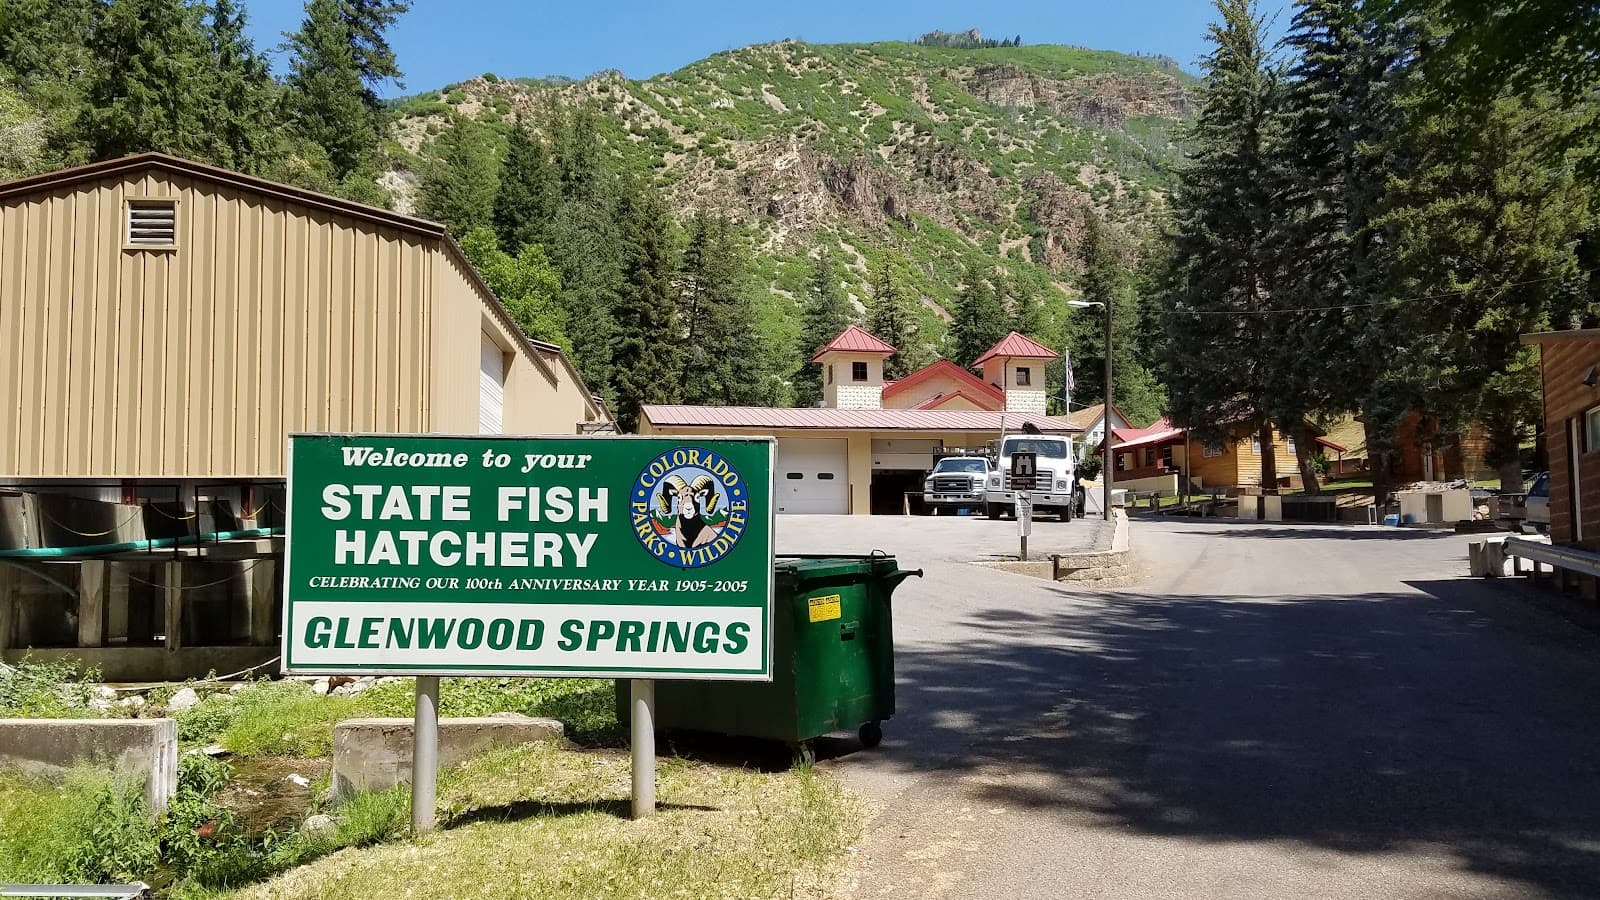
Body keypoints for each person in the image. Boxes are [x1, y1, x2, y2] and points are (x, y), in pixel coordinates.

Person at [657, 474, 722, 548]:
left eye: (697, 497)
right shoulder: (679, 535)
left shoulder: (710, 538)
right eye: (680, 498)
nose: (688, 505)